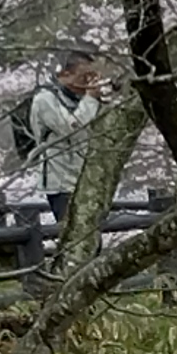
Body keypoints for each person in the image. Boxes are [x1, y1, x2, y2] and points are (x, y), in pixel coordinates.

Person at [16, 48, 107, 233]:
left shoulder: (83, 99)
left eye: (93, 76)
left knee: (94, 236)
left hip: (87, 177)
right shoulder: (45, 99)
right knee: (75, 234)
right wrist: (91, 99)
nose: (89, 81)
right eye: (85, 76)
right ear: (65, 75)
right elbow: (69, 129)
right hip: (61, 182)